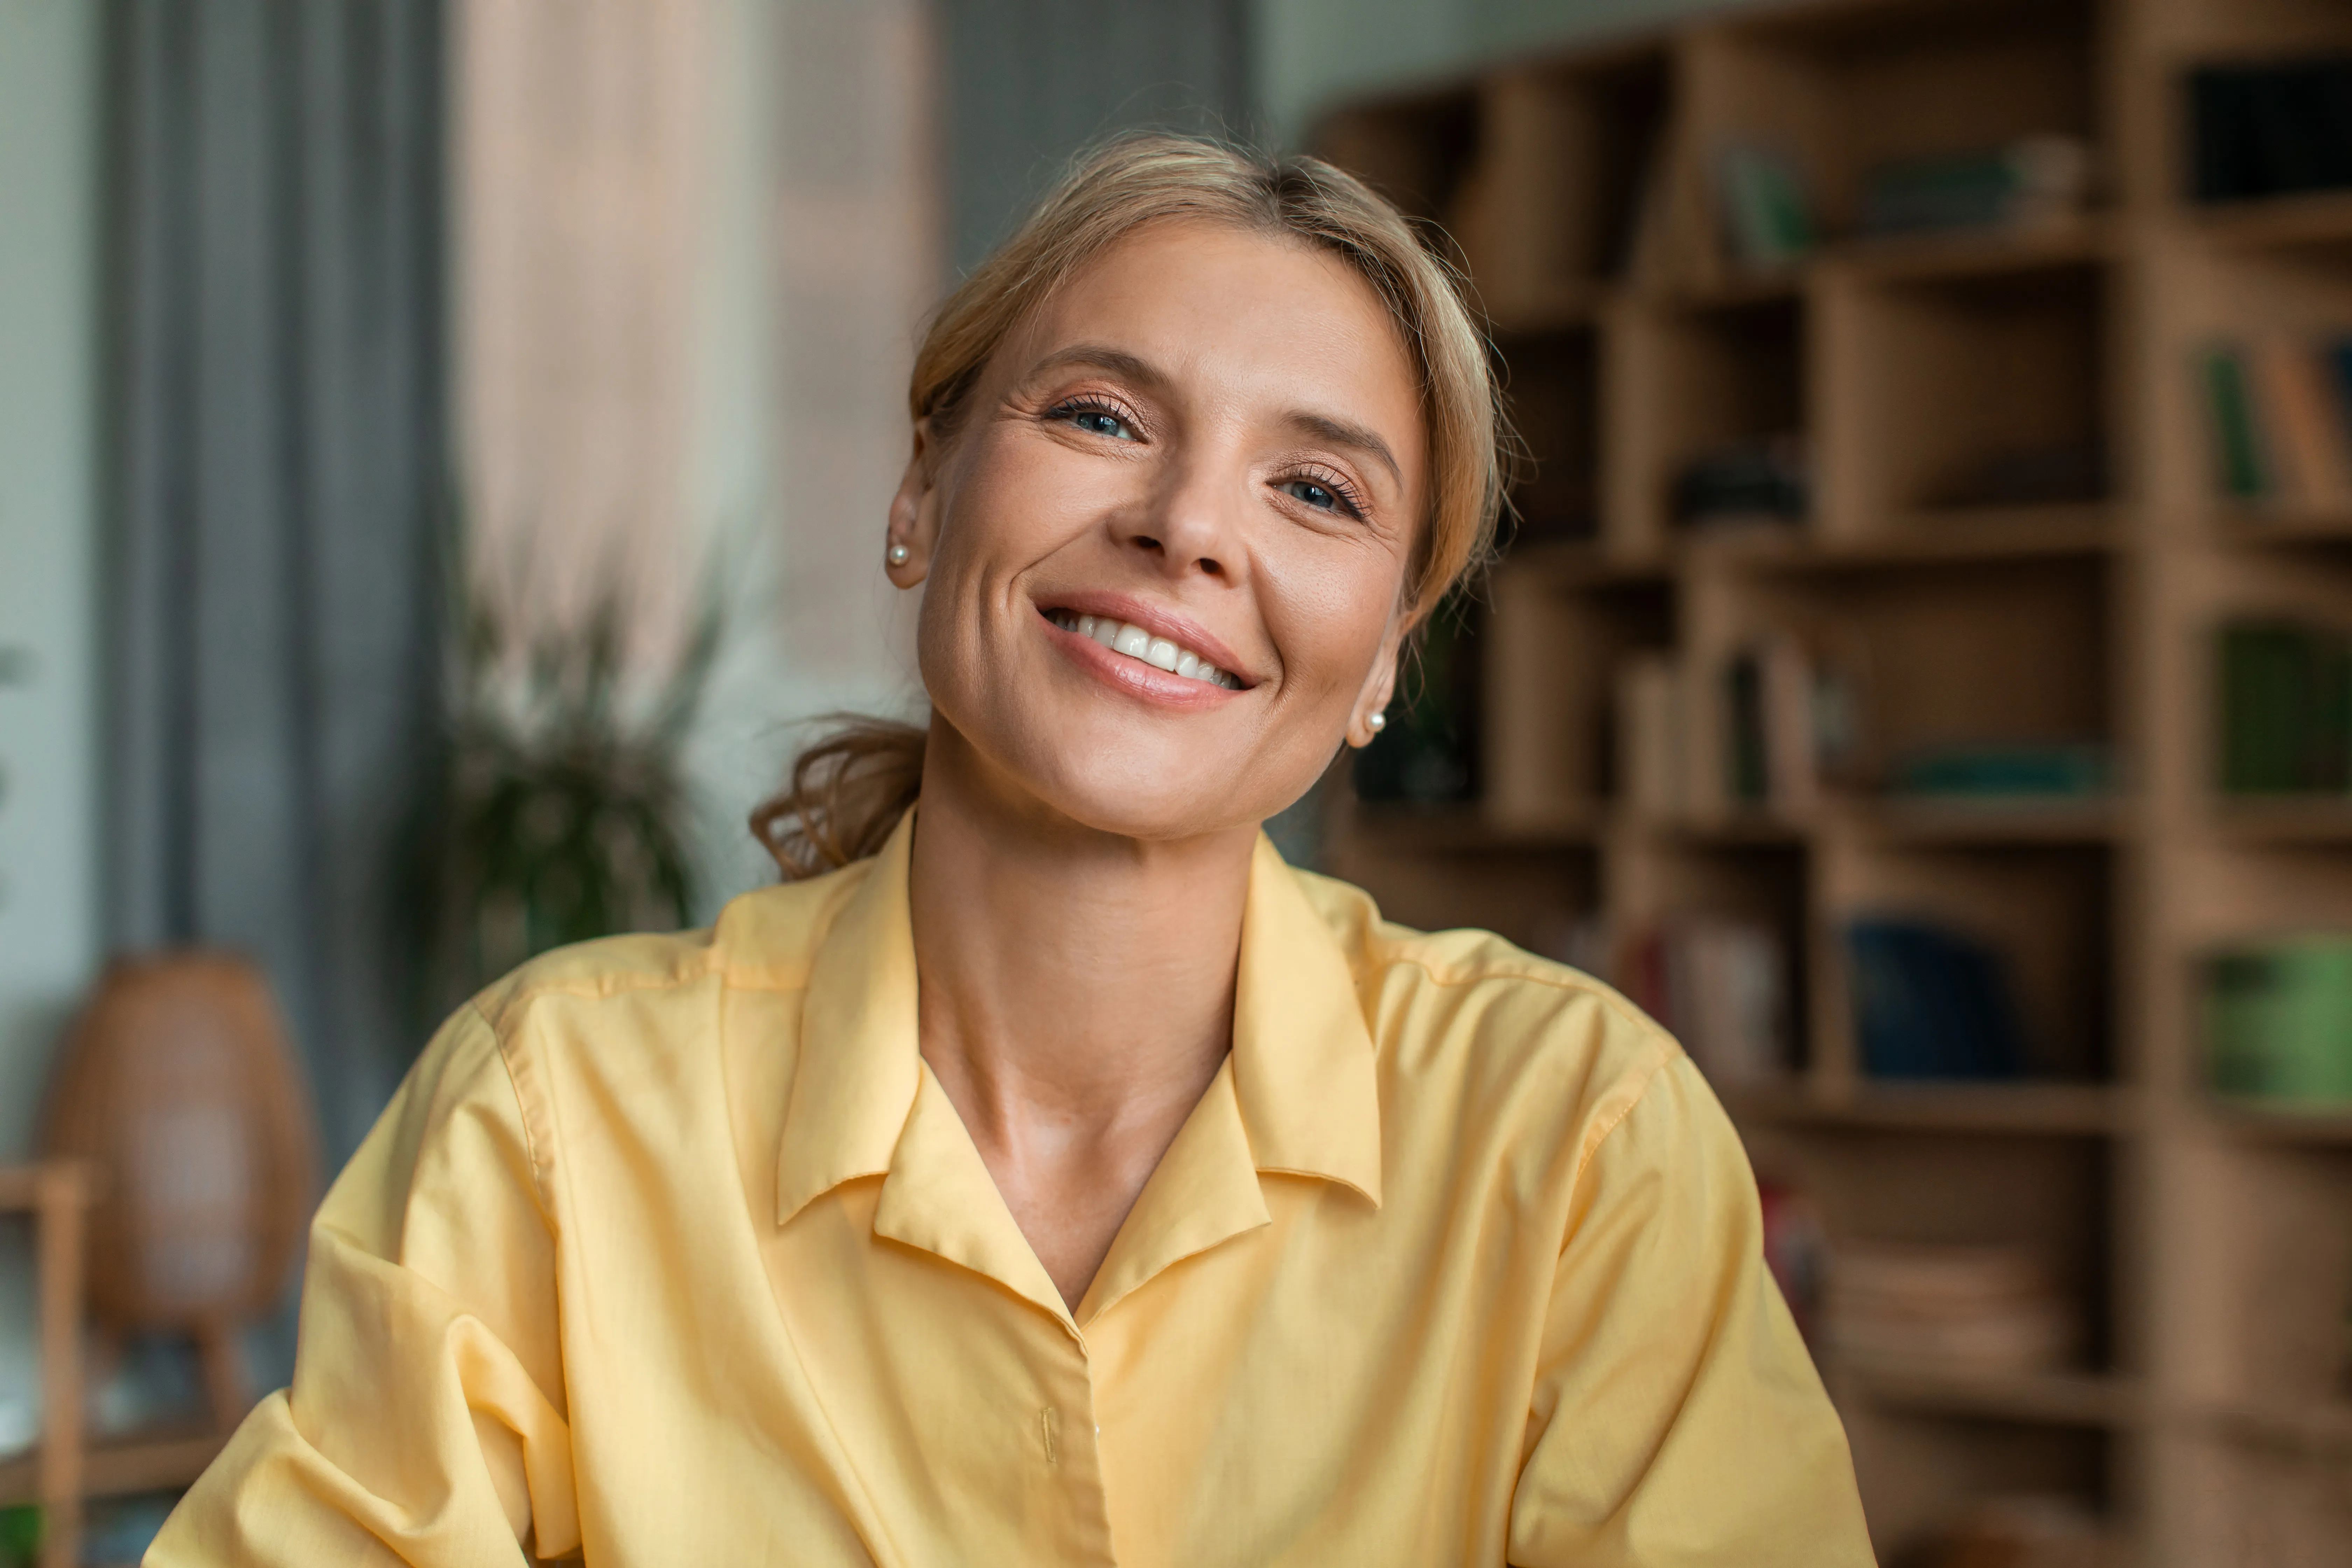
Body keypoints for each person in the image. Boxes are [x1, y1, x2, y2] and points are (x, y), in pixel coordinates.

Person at [150, 134, 1873, 1567]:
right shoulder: (555, 1116)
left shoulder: (1579, 1141)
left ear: (1384, 667)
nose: (1188, 526)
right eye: (1104, 417)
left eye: (1320, 494)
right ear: (925, 490)